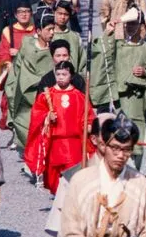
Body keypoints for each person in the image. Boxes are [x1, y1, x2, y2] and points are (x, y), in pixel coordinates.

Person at [89, 8, 146, 171]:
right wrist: (108, 34)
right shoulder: (117, 46)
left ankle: (141, 175)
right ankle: (121, 171)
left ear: (141, 26)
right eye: (127, 24)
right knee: (120, 137)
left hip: (141, 102)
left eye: (134, 24)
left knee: (142, 142)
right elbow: (102, 57)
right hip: (121, 103)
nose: (130, 27)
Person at [24, 61, 94, 194]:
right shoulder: (46, 96)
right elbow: (36, 115)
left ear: (71, 76)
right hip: (54, 144)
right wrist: (46, 117)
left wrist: (88, 126)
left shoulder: (80, 97)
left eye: (64, 74)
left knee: (73, 178)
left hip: (73, 144)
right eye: (58, 74)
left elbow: (88, 116)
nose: (61, 77)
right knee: (53, 179)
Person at [5, 7, 57, 149]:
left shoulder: (55, 49)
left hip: (49, 99)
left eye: (53, 29)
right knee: (27, 131)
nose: (52, 33)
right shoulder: (27, 45)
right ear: (39, 31)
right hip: (26, 97)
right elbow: (18, 71)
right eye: (48, 29)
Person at [0, 0, 35, 132]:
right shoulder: (8, 31)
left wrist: (19, 52)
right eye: (21, 12)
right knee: (12, 103)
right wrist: (8, 57)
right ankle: (16, 130)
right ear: (15, 14)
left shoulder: (36, 31)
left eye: (27, 11)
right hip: (13, 73)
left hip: (32, 73)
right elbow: (1, 53)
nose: (24, 15)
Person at [52, 0, 84, 71]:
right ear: (54, 13)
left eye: (66, 14)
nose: (63, 17)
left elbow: (83, 62)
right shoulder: (48, 35)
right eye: (60, 13)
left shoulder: (75, 37)